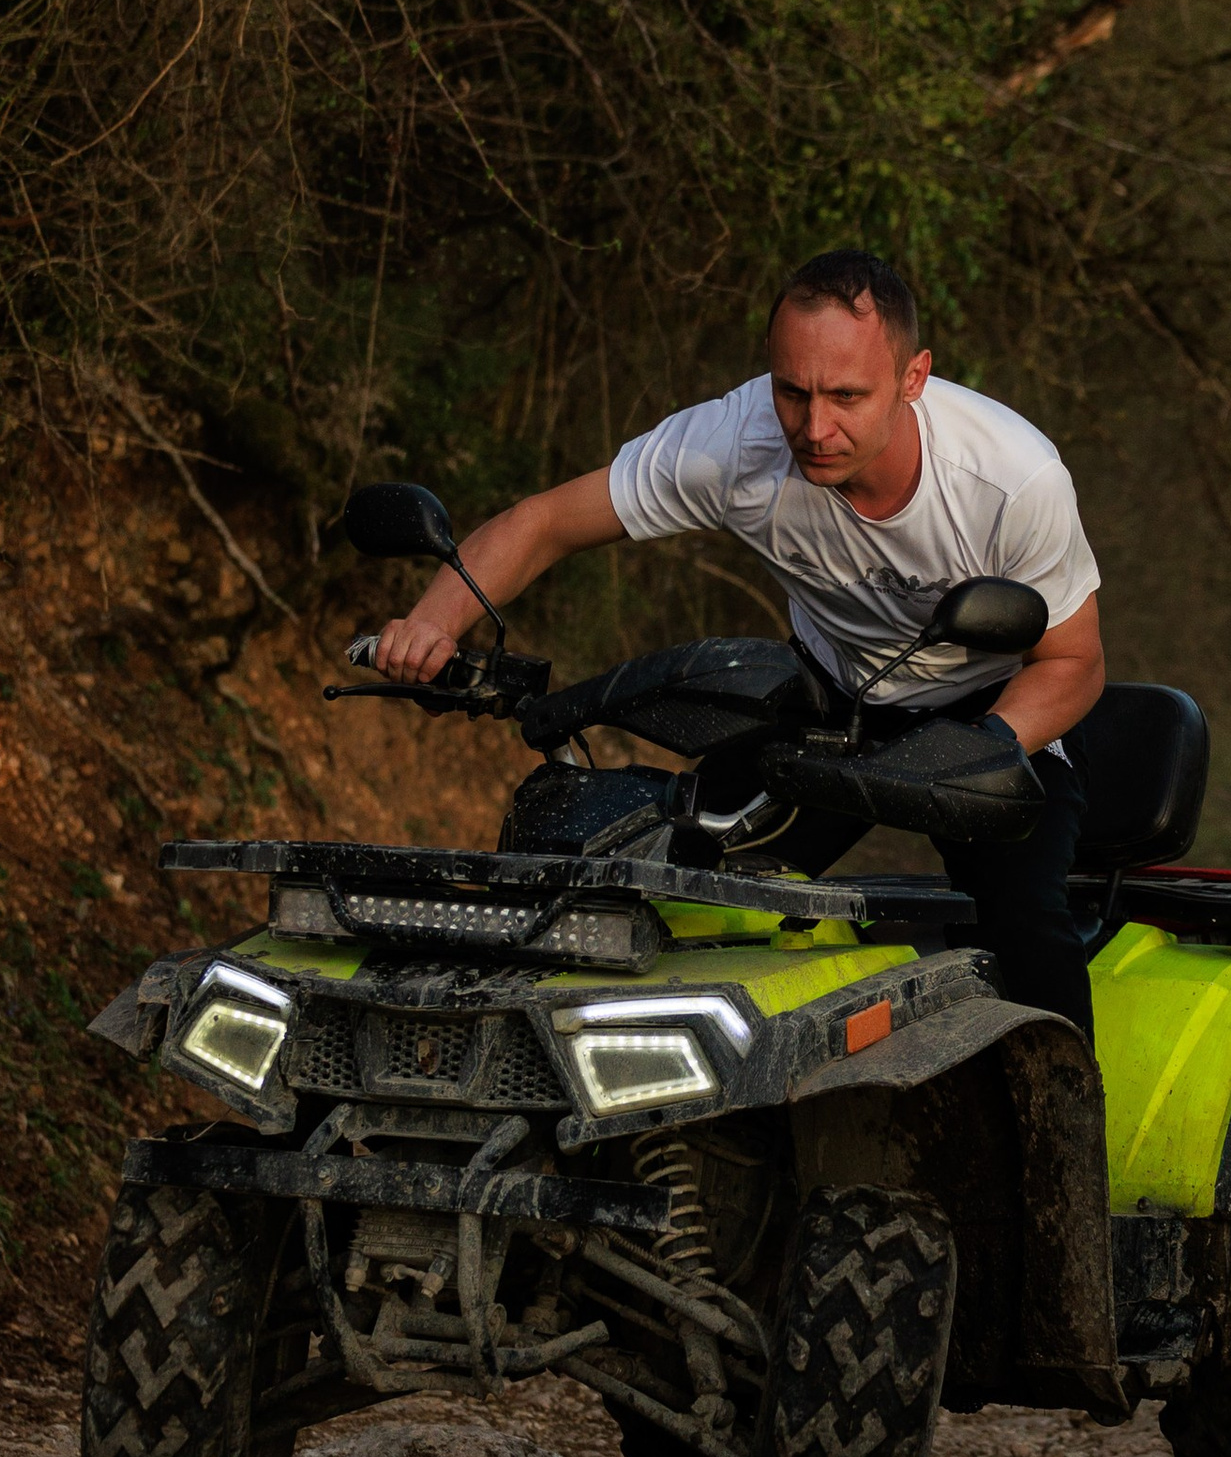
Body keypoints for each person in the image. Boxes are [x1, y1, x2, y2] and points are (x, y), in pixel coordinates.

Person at [373, 249, 1106, 1033]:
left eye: (848, 396)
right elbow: (544, 522)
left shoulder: (1012, 479)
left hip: (984, 716)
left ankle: (1071, 1145)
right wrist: (432, 622)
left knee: (1024, 924)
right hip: (833, 701)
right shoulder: (733, 441)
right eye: (794, 391)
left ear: (913, 377)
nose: (815, 427)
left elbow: (1074, 662)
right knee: (680, 888)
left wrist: (982, 747)